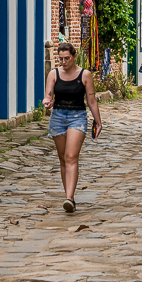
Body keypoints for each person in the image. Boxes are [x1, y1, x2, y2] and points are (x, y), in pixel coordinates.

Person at [43, 42, 102, 213]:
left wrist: (98, 122)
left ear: (74, 56)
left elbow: (91, 100)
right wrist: (47, 102)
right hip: (58, 117)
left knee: (71, 156)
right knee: (63, 159)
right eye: (61, 59)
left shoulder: (85, 75)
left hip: (77, 117)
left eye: (67, 58)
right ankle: (69, 196)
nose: (64, 62)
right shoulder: (53, 74)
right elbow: (48, 95)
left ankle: (69, 197)